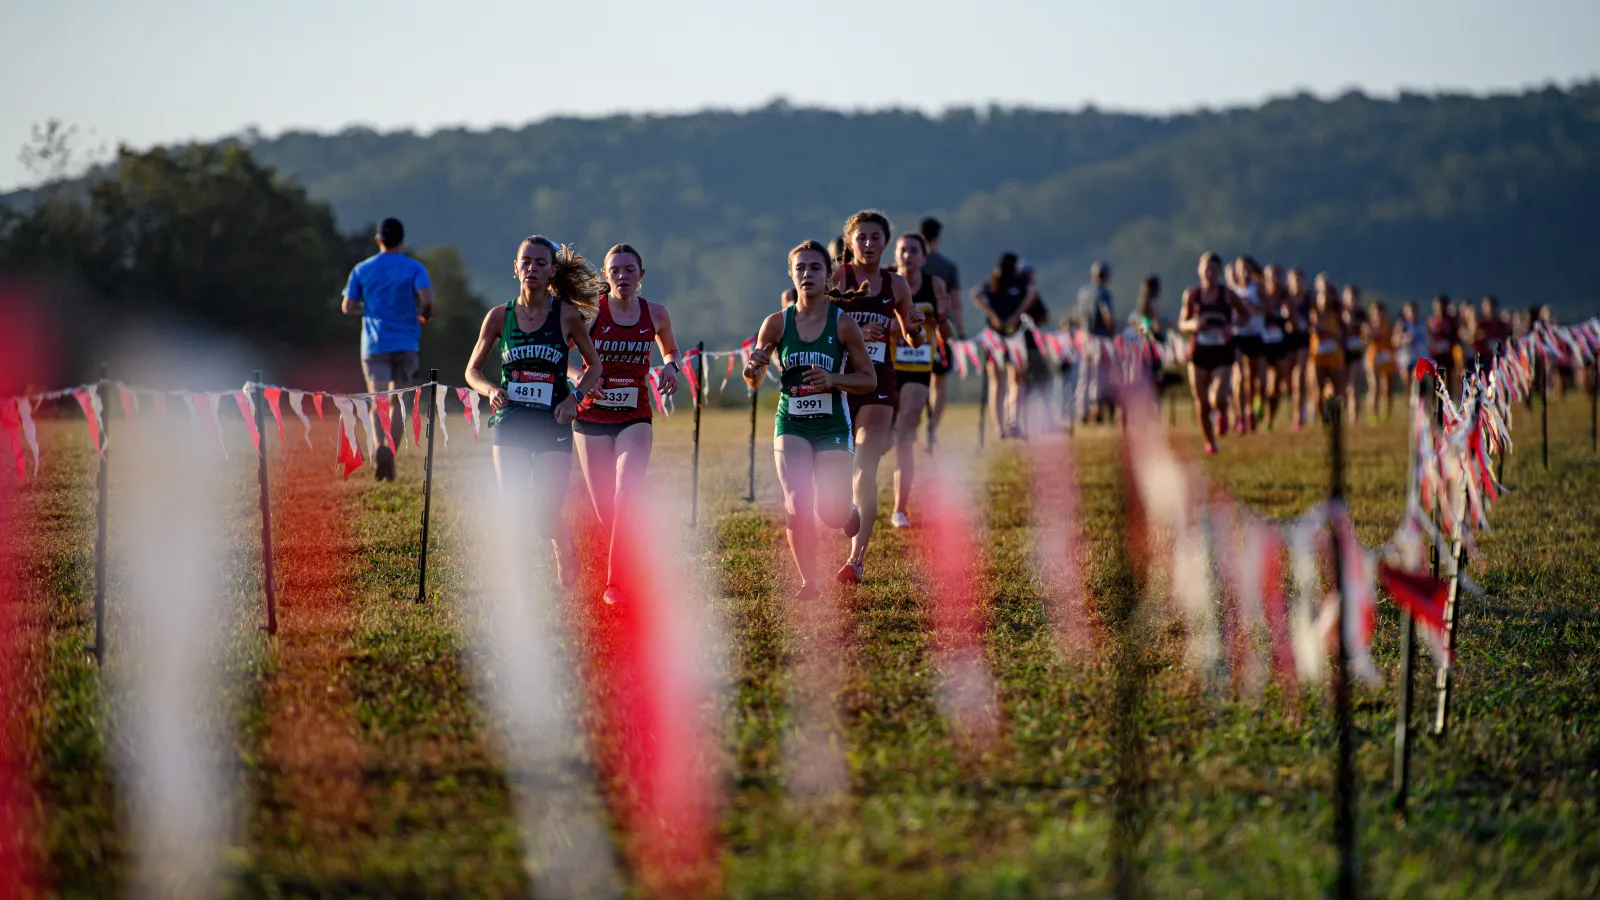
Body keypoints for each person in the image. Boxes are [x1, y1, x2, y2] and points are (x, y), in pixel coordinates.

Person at [464, 235, 605, 589]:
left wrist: (575, 399)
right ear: (515, 268)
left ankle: (563, 544)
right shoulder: (499, 317)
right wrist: (491, 390)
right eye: (526, 262)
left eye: (541, 263)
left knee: (544, 515)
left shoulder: (567, 316)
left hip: (550, 423)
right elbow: (472, 372)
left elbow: (594, 367)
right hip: (510, 422)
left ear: (552, 270)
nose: (532, 269)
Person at [745, 241, 877, 601]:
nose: (807, 274)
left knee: (831, 513)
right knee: (796, 503)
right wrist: (753, 367)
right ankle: (810, 581)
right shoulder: (775, 323)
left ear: (828, 273)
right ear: (791, 274)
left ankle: (846, 511)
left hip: (833, 424)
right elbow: (754, 382)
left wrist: (835, 379)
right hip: (792, 424)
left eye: (815, 268)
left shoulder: (844, 324)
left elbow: (869, 379)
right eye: (800, 268)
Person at [573, 244, 682, 605]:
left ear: (641, 276)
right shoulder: (590, 313)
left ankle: (615, 584)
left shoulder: (656, 314)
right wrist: (582, 377)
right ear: (606, 276)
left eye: (629, 270)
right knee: (608, 509)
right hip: (591, 417)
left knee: (625, 494)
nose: (622, 276)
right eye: (615, 270)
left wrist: (671, 366)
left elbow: (671, 350)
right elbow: (562, 357)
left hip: (635, 414)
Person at [830, 211, 923, 584]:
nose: (868, 244)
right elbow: (812, 324)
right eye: (862, 237)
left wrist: (914, 331)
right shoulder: (837, 279)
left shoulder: (896, 284)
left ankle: (856, 560)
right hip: (839, 379)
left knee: (865, 462)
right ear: (850, 243)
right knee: (839, 465)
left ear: (886, 243)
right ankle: (844, 506)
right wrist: (852, 332)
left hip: (878, 381)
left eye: (875, 238)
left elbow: (914, 336)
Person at [341, 217, 435, 481]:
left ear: (378, 239)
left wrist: (369, 310)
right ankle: (390, 452)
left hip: (374, 344)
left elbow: (348, 306)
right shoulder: (415, 268)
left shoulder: (362, 269)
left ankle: (380, 445)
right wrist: (423, 315)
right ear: (402, 241)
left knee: (378, 400)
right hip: (406, 343)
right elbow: (427, 300)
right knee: (398, 401)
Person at [888, 234, 950, 528]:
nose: (908, 255)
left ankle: (899, 509)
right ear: (895, 254)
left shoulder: (934, 284)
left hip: (918, 365)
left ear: (924, 257)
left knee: (905, 434)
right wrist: (897, 325)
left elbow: (944, 331)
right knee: (880, 438)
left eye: (914, 250)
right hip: (884, 366)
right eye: (903, 250)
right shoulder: (885, 280)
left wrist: (943, 322)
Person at [1178, 252, 1248, 455]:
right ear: (1199, 271)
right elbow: (1182, 323)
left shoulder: (1227, 295)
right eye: (1205, 268)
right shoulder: (1192, 295)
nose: (1209, 273)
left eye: (1213, 269)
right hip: (1199, 351)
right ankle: (1210, 443)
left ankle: (1223, 412)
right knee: (1200, 401)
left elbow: (1246, 316)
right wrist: (1192, 324)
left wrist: (1231, 326)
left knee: (1217, 398)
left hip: (1222, 351)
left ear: (1219, 271)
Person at [971, 253, 1039, 438]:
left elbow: (1032, 293)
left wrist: (1015, 314)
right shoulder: (997, 281)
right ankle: (1005, 425)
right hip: (996, 337)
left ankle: (1009, 423)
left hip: (1014, 335)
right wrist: (994, 316)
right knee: (1002, 382)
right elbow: (975, 294)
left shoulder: (1016, 282)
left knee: (1010, 381)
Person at [919, 218, 963, 450]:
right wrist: (961, 332)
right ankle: (932, 428)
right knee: (940, 384)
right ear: (938, 237)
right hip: (940, 332)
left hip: (913, 332)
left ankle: (910, 425)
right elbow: (956, 303)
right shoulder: (947, 267)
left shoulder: (911, 262)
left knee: (915, 382)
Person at [1074, 261, 1116, 424]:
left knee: (1084, 375)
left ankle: (1081, 411)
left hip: (1084, 337)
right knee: (1099, 376)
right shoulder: (1104, 293)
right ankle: (1096, 409)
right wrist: (1112, 330)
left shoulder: (1083, 292)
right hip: (1100, 337)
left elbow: (1077, 314)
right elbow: (1107, 315)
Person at [1229, 256, 1267, 433]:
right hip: (1238, 336)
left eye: (1248, 268)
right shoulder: (1232, 290)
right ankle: (1239, 416)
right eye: (1241, 268)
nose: (1244, 272)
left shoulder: (1257, 288)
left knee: (1252, 379)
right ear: (1235, 271)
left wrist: (1253, 307)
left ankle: (1249, 410)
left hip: (1255, 335)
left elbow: (1271, 309)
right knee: (1238, 377)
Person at [1258, 264, 1293, 429]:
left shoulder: (1286, 296)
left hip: (1280, 344)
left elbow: (1293, 321)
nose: (1275, 279)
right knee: (1261, 381)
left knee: (1275, 387)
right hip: (1263, 344)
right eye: (1271, 276)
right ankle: (1257, 402)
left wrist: (1289, 316)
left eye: (1277, 276)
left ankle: (1269, 419)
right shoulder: (1260, 294)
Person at [1310, 274, 1348, 419]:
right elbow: (1313, 327)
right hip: (1317, 353)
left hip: (1335, 353)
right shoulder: (1312, 306)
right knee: (1318, 387)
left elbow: (1344, 329)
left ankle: (1334, 414)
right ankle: (1322, 416)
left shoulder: (1338, 308)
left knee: (1336, 387)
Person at [1282, 267, 1313, 430]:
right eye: (1294, 278)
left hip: (1303, 339)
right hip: (1286, 340)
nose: (1298, 282)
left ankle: (1298, 415)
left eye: (1300, 278)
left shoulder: (1309, 298)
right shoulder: (1284, 298)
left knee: (1300, 376)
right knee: (1286, 381)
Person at [1363, 301, 1399, 423]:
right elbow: (1364, 340)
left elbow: (1394, 342)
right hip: (1373, 358)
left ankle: (1387, 414)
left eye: (1381, 312)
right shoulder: (1368, 326)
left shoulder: (1389, 326)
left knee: (1387, 388)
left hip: (1387, 358)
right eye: (1376, 313)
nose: (1379, 315)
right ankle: (1374, 414)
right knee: (1374, 387)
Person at [1340, 284, 1366, 423]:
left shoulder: (1361, 315)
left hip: (1356, 353)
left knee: (1353, 387)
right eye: (1350, 298)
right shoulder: (1339, 314)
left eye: (1355, 298)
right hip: (1340, 354)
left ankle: (1353, 420)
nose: (1353, 301)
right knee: (1341, 388)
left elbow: (1366, 334)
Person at [1395, 300, 1429, 390]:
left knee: (1417, 379)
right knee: (1407, 383)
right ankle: (1411, 399)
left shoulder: (1423, 324)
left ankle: (1419, 399)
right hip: (1405, 358)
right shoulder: (1402, 325)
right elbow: (1394, 341)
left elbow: (1429, 338)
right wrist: (1404, 339)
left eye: (1414, 311)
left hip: (1420, 356)